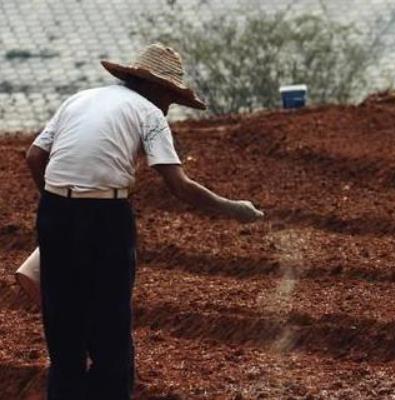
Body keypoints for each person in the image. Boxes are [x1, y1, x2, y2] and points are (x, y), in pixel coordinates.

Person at [25, 43, 264, 400]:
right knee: (111, 328)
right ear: (156, 88)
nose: (168, 108)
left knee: (63, 328)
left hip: (56, 212)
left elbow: (33, 157)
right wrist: (235, 208)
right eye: (170, 98)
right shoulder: (149, 113)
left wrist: (58, 208)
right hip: (106, 218)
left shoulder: (79, 99)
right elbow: (180, 186)